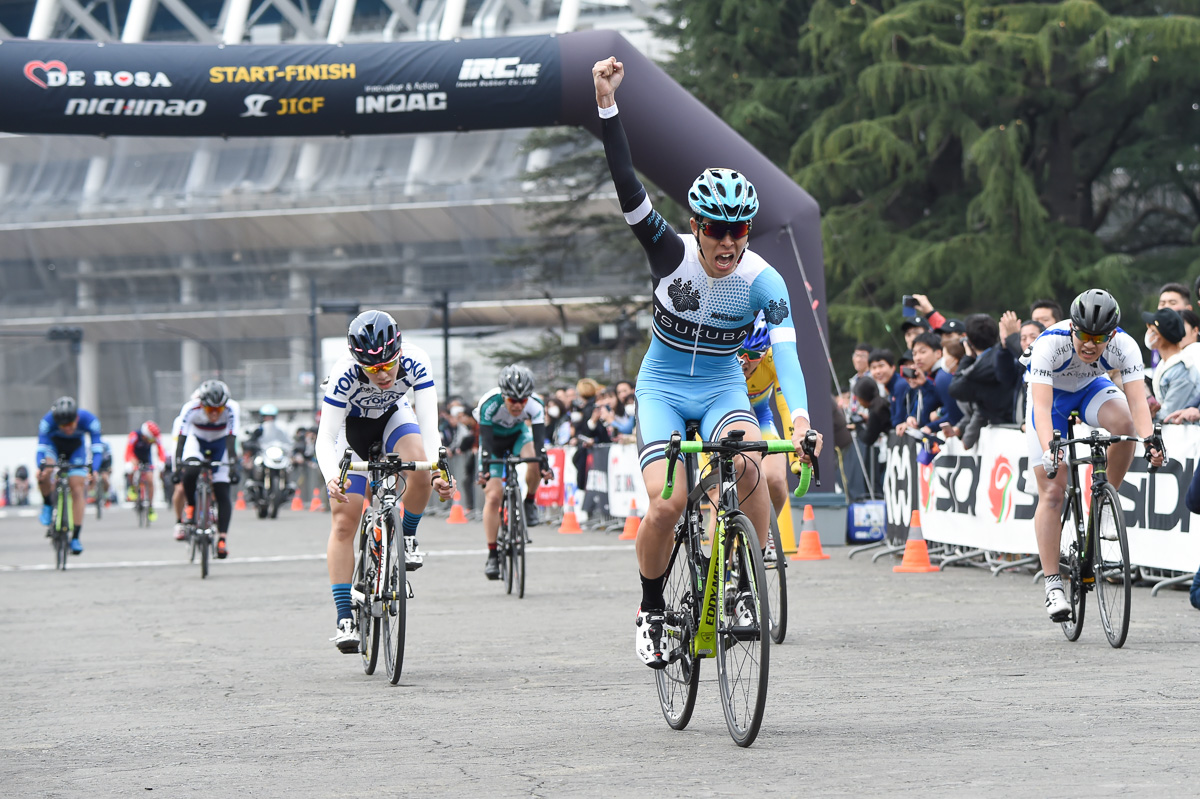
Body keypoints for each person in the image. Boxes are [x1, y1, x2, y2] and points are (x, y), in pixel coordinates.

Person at [593, 56, 822, 669]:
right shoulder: (668, 252)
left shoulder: (763, 279)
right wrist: (607, 104)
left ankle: (742, 585)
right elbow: (626, 182)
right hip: (664, 387)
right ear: (696, 226)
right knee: (668, 504)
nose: (727, 242)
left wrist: (799, 421)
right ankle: (648, 609)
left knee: (750, 461)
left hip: (723, 387)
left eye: (738, 230)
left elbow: (788, 354)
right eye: (716, 229)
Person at [317, 310, 454, 653]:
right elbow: (325, 436)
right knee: (344, 522)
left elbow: (429, 423)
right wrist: (333, 476)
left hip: (394, 417)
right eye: (372, 369)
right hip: (352, 431)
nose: (382, 374)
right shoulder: (343, 373)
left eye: (388, 366)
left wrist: (438, 469)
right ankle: (344, 616)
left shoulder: (417, 361)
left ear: (400, 352)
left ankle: (407, 536)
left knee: (419, 467)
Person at [1027, 289, 1163, 622]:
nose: (1090, 344)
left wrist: (1150, 440)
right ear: (1072, 328)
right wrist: (1050, 450)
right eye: (1084, 335)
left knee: (1124, 424)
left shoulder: (1125, 347)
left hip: (1090, 389)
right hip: (1052, 401)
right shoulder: (1049, 344)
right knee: (1053, 492)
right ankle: (1053, 584)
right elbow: (1041, 409)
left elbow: (1137, 405)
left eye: (1099, 338)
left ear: (1112, 334)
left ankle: (1103, 502)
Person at [475, 365, 554, 579]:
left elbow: (540, 443)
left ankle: (529, 502)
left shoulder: (536, 404)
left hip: (518, 436)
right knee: (493, 497)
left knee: (535, 462)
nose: (518, 406)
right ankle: (492, 554)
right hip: (493, 442)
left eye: (523, 401)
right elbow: (486, 443)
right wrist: (484, 471)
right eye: (512, 401)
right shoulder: (489, 403)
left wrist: (544, 465)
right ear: (503, 396)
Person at [739, 319, 799, 535]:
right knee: (720, 495)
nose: (744, 361)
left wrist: (795, 457)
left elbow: (785, 406)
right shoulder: (720, 357)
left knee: (774, 479)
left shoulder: (774, 359)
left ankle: (766, 534)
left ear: (764, 353)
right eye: (739, 352)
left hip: (761, 417)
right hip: (719, 422)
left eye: (753, 354)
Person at [173, 380, 241, 558]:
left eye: (218, 410)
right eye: (210, 410)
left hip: (221, 443)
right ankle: (192, 506)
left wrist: (233, 466)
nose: (214, 415)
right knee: (191, 471)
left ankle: (222, 539)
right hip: (197, 441)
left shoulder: (232, 408)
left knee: (222, 491)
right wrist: (177, 466)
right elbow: (181, 438)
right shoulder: (190, 408)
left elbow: (232, 439)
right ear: (202, 404)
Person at [35, 396, 104, 554]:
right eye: (63, 425)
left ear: (77, 418)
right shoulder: (47, 422)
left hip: (76, 449)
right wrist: (41, 467)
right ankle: (47, 504)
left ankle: (75, 537)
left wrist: (94, 470)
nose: (67, 429)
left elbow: (97, 448)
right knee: (45, 472)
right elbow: (41, 449)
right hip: (54, 446)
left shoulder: (89, 420)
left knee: (78, 487)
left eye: (71, 424)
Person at [1143, 308, 1200, 421]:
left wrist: (1141, 416)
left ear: (1158, 336)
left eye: (1151, 329)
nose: (1148, 333)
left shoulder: (1182, 370)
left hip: (1182, 435)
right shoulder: (1165, 364)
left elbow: (1168, 415)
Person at [125, 421, 165, 520]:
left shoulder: (155, 438)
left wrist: (161, 462)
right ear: (145, 435)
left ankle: (151, 506)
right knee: (131, 470)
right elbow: (128, 451)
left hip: (147, 458)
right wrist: (129, 462)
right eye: (150, 439)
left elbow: (160, 450)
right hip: (134, 457)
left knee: (150, 480)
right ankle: (132, 488)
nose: (152, 441)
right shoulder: (134, 435)